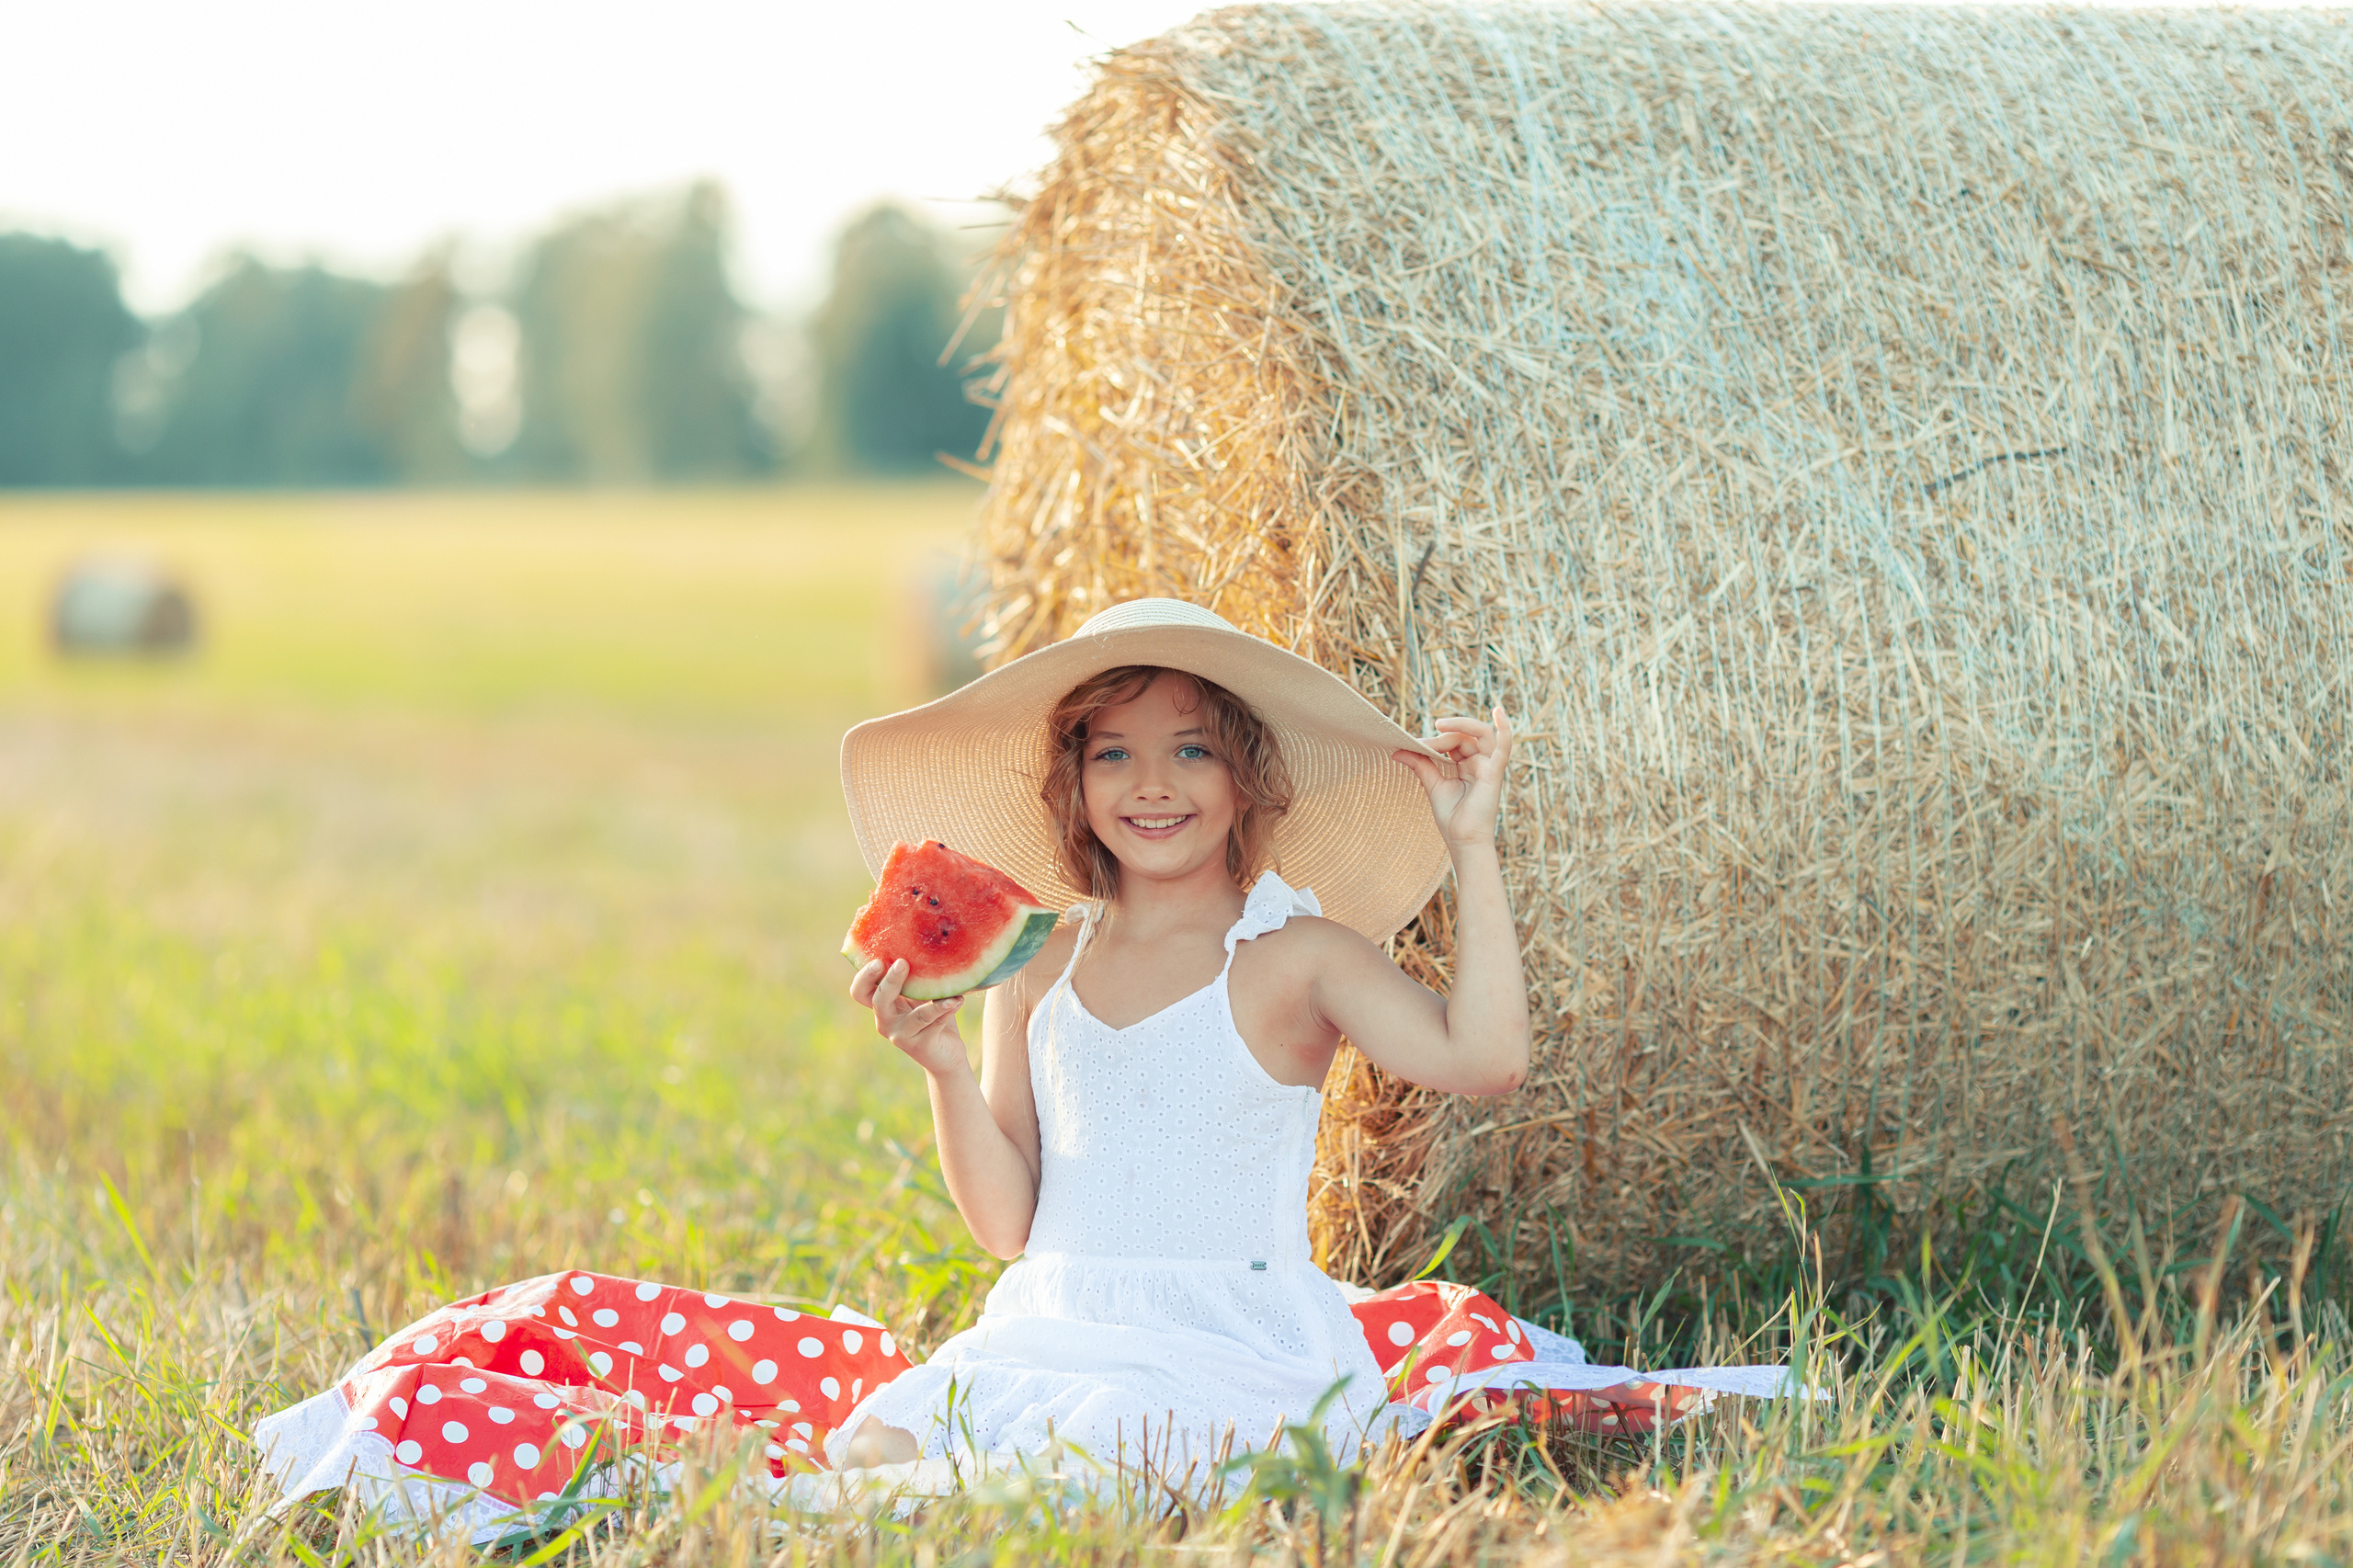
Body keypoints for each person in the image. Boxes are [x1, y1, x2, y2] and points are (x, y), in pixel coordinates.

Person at [827, 596, 1665, 1471]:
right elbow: (1006, 1226)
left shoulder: (1297, 957)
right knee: (875, 1453)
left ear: (1246, 779)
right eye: (1114, 755)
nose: (1152, 784)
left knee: (1085, 1467)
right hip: (1051, 1327)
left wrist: (1472, 847)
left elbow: (1487, 1060)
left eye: (1193, 751)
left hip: (1228, 1344)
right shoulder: (1040, 966)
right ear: (1074, 785)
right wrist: (943, 1066)